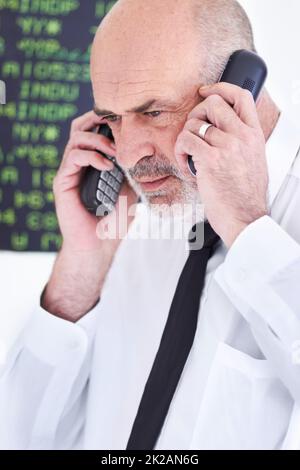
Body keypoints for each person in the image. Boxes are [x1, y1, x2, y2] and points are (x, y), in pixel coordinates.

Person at [1, 0, 300, 450]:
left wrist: (246, 227)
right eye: (113, 119)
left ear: (240, 88)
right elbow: (21, 437)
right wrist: (82, 269)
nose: (127, 153)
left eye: (154, 112)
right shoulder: (136, 218)